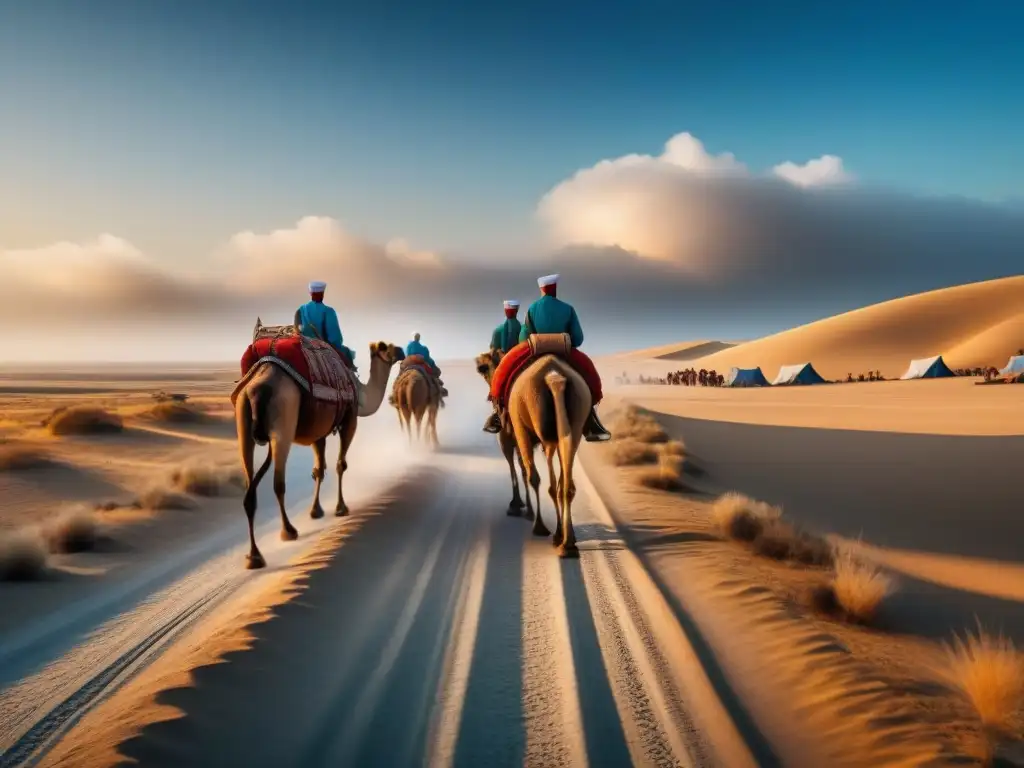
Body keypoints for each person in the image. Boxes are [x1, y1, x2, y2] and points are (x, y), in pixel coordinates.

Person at [483, 274, 610, 441]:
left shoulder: (533, 309)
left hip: (536, 349)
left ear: (541, 290)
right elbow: (578, 338)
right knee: (588, 372)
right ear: (554, 289)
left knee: (504, 369)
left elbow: (523, 338)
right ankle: (591, 420)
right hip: (563, 350)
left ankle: (498, 414)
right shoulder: (568, 308)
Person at [294, 281, 356, 368]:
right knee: (347, 353)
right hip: (323, 349)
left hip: (303, 347)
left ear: (311, 293)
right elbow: (335, 338)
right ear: (322, 294)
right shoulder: (328, 311)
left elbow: (296, 331)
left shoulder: (300, 310)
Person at [405, 332, 448, 398]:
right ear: (419, 338)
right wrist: (432, 363)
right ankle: (437, 390)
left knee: (401, 375)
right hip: (421, 365)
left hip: (408, 365)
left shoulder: (408, 346)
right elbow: (427, 358)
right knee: (433, 373)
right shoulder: (423, 348)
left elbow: (407, 355)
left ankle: (394, 393)